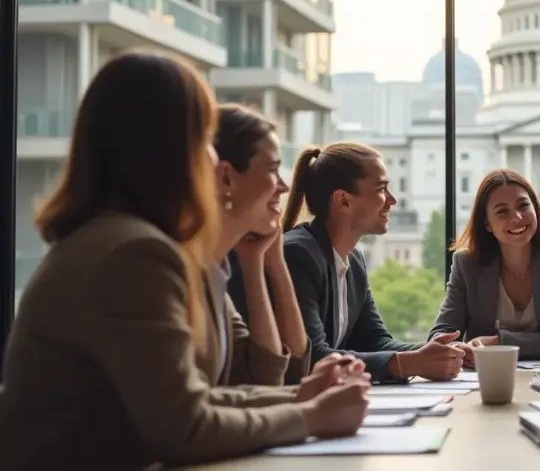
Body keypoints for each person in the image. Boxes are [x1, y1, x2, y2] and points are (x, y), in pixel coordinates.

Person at [0, 52, 369, 469]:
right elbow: (185, 427)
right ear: (171, 152)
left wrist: (300, 397)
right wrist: (310, 416)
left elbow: (199, 396)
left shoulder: (132, 244)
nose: (213, 159)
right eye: (202, 139)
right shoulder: (136, 255)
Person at [283, 142, 465, 382]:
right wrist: (407, 363)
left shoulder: (353, 260)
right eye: (381, 189)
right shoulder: (298, 255)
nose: (392, 200)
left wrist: (444, 353)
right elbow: (313, 357)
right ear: (344, 201)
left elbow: (375, 341)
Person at [428, 169, 540, 362]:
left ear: (536, 208)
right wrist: (455, 347)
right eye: (502, 211)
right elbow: (442, 333)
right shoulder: (467, 264)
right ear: (487, 224)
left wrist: (499, 342)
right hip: (485, 376)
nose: (517, 217)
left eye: (523, 206)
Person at [213, 104, 312, 385]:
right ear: (226, 178)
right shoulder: (188, 267)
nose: (284, 187)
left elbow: (283, 372)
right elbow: (270, 380)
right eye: (272, 170)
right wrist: (308, 411)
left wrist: (263, 261)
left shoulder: (216, 266)